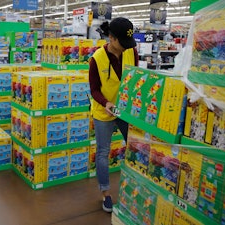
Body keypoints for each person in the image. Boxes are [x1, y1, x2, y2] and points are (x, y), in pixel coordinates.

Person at [88, 17, 138, 213]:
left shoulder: (131, 52)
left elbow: (134, 77)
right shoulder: (96, 59)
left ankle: (136, 185)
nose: (126, 48)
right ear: (111, 38)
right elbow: (94, 90)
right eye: (122, 43)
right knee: (102, 153)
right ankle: (105, 193)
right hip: (103, 111)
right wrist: (106, 103)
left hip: (125, 110)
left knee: (134, 146)